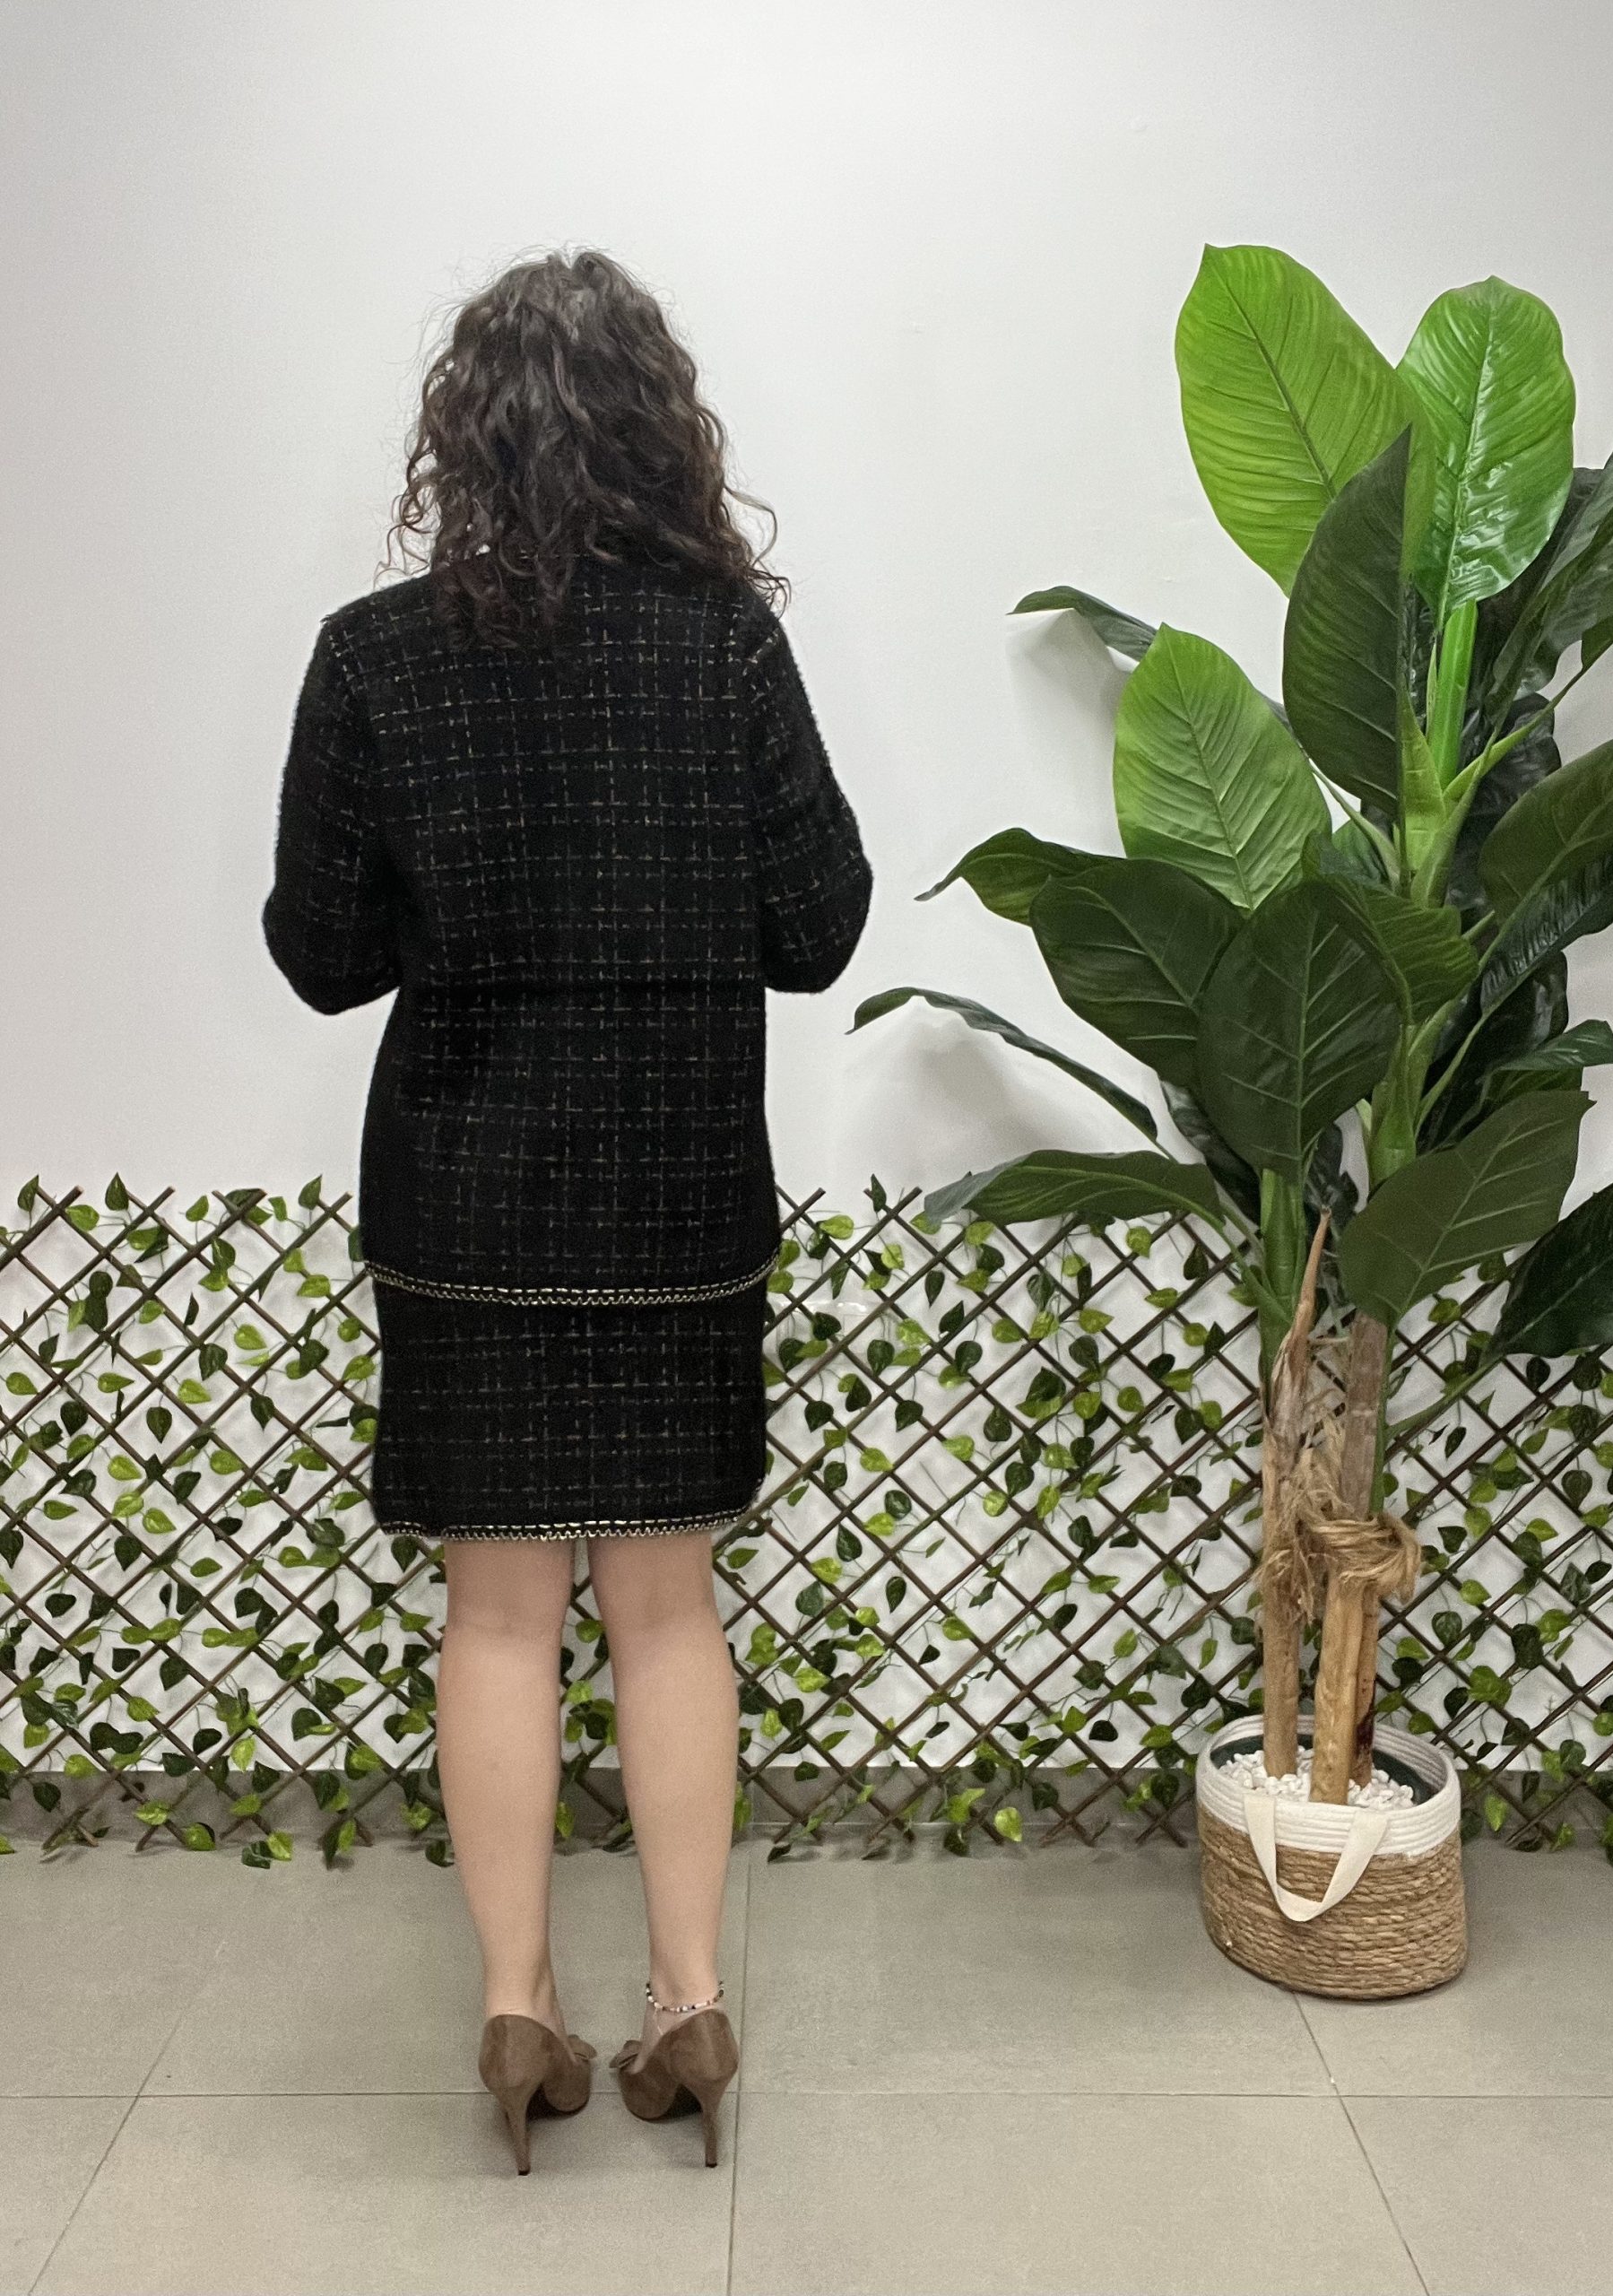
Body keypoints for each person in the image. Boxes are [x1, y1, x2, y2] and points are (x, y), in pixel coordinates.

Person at [261, 248, 873, 2174]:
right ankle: (687, 2000)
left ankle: (518, 2000)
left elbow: (320, 954)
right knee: (668, 1608)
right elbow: (822, 923)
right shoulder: (728, 650)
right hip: (678, 1199)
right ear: (657, 433)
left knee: (498, 1615)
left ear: (463, 438)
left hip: (464, 1214)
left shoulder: (375, 656)